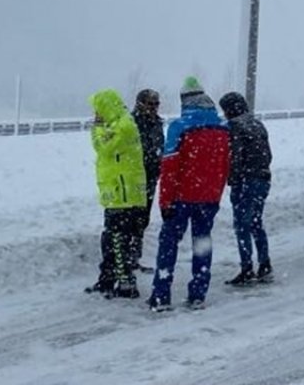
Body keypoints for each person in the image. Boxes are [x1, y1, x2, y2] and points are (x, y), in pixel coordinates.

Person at [148, 77, 230, 311]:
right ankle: (198, 294)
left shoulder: (179, 127)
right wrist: (215, 194)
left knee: (169, 244)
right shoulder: (222, 128)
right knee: (202, 243)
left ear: (184, 99)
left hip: (181, 197)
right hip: (209, 198)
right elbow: (224, 166)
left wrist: (165, 201)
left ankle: (162, 295)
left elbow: (169, 167)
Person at [85, 89, 148, 299]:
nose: (96, 114)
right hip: (118, 193)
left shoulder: (124, 126)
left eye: (98, 109)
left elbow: (103, 148)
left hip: (124, 195)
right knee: (112, 239)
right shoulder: (120, 124)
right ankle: (108, 280)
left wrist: (96, 128)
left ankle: (126, 283)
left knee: (119, 240)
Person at [219, 92, 274, 285]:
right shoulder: (257, 124)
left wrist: (232, 180)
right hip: (263, 178)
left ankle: (247, 267)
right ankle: (265, 264)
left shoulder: (234, 127)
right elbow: (268, 155)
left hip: (246, 181)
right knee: (256, 222)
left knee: (242, 225)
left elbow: (235, 158)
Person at [130, 89, 164, 273]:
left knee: (143, 219)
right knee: (131, 218)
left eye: (156, 104)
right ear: (140, 103)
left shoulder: (157, 123)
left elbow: (161, 146)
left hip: (151, 176)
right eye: (150, 104)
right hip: (134, 177)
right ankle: (126, 259)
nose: (153, 108)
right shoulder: (131, 123)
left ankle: (134, 258)